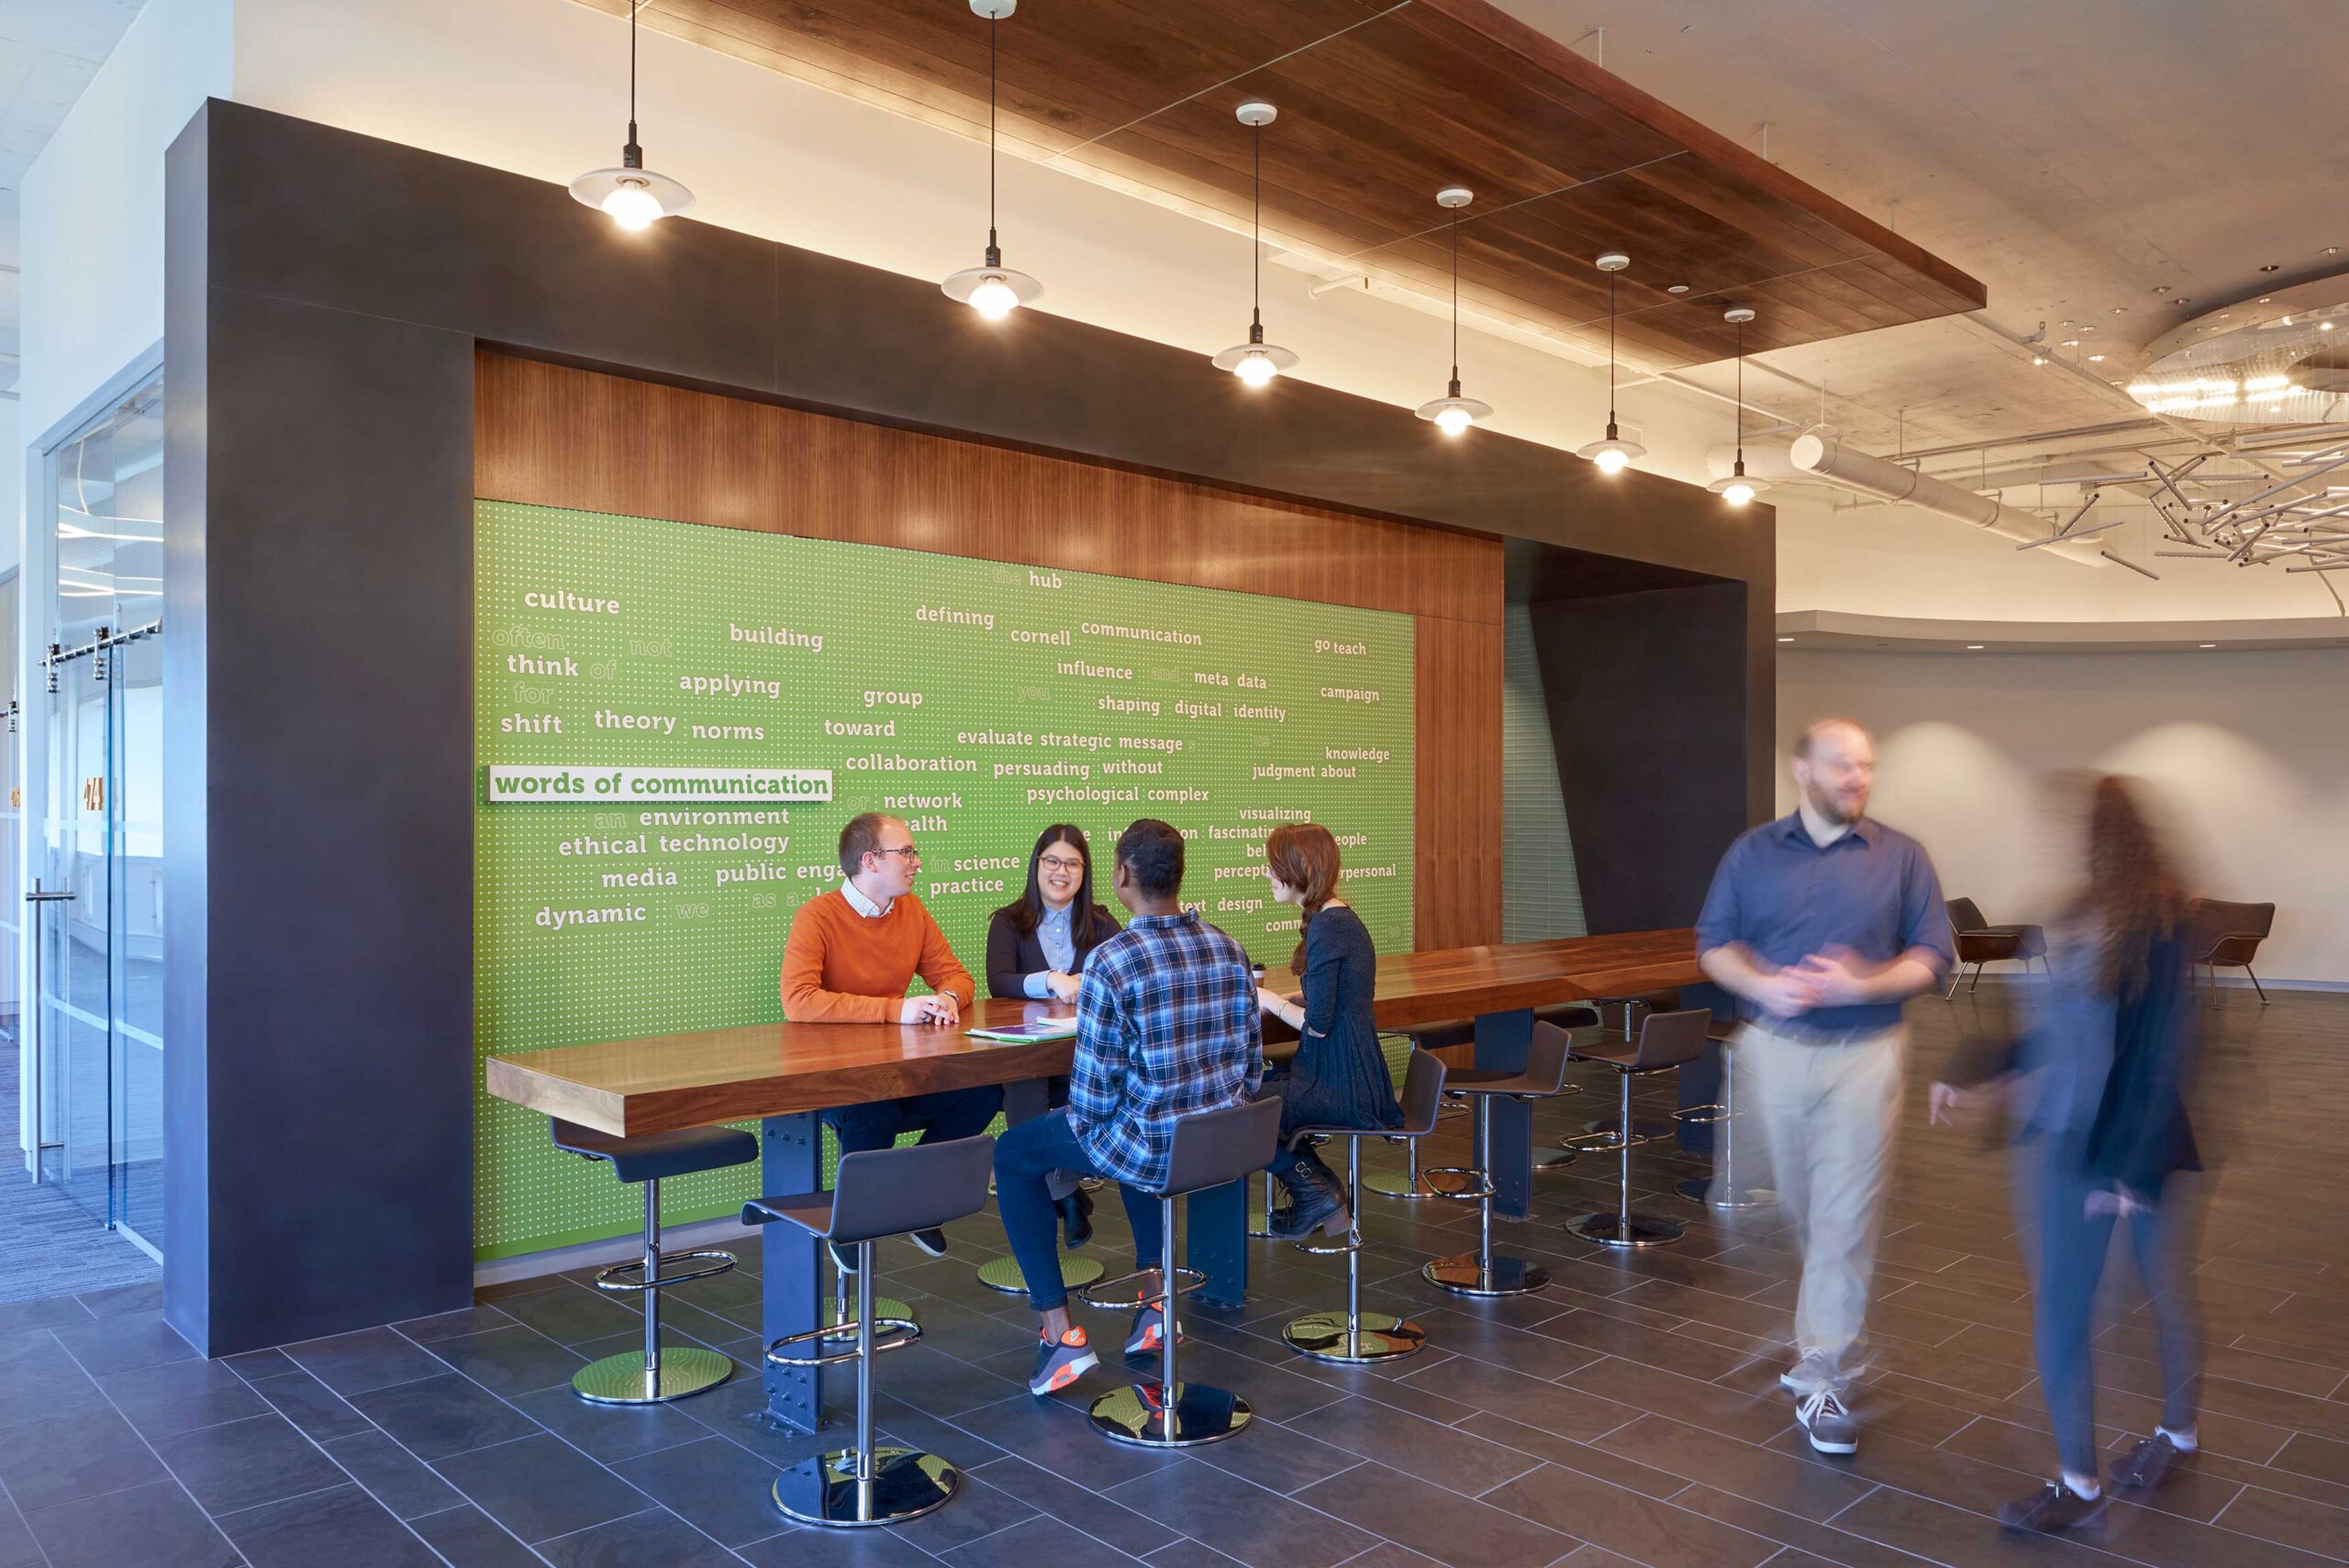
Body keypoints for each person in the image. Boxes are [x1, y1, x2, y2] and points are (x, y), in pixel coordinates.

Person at [1930, 775, 2204, 1535]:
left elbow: (2162, 1054)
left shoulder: (2157, 926)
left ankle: (2091, 1481)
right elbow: (2055, 1032)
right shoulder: (2077, 916)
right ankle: (2149, 1444)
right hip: (2066, 1131)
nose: (2063, 841)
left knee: (2082, 1308)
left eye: (2075, 829)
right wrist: (1976, 1067)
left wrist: (2127, 1170)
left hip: (2112, 1143)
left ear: (2105, 838)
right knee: (2084, 1302)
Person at [1695, 717, 1953, 1455]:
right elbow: (1714, 944)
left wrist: (1863, 981)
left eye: (1866, 765)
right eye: (1841, 765)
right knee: (1804, 1208)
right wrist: (1763, 984)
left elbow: (1934, 953)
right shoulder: (1752, 853)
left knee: (1845, 1212)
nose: (1856, 778)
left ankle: (1824, 1373)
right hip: (1773, 1050)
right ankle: (1821, 1330)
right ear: (1802, 771)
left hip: (1867, 1053)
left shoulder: (1901, 856)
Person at [991, 818, 1263, 1396]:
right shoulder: (1230, 949)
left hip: (1153, 1146)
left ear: (1119, 875)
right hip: (1221, 1145)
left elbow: (1090, 1104)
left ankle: (1059, 1334)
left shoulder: (1113, 962)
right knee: (1144, 1132)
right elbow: (1253, 1067)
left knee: (1014, 1153)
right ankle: (1156, 1308)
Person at [781, 811, 995, 1264]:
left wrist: (950, 997)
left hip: (900, 1073)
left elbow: (955, 974)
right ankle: (853, 1226)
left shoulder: (912, 911)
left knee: (982, 1093)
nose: (916, 862)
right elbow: (798, 1000)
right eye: (908, 853)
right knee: (871, 1107)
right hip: (837, 1081)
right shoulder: (817, 916)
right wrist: (895, 1010)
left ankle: (915, 1199)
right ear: (871, 860)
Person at [1253, 822, 1399, 1240]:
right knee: (1256, 1090)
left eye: (1272, 865)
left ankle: (1317, 1193)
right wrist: (1291, 1001)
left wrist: (1271, 1002)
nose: (1267, 874)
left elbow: (1318, 1025)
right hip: (1350, 1075)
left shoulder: (1328, 927)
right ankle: (1319, 1192)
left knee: (1242, 1106)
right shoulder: (1336, 919)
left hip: (1342, 1083)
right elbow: (1333, 1003)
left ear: (1298, 870)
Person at [986, 825, 1123, 1249]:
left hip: (1086, 1055)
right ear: (1036, 865)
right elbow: (999, 981)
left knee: (1074, 1098)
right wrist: (1051, 980)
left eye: (1072, 863)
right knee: (1025, 1088)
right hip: (1030, 1054)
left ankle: (1062, 1195)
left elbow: (1125, 971)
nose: (1061, 872)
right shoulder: (1009, 921)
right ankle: (1064, 1196)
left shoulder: (1100, 921)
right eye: (1052, 861)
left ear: (1084, 872)